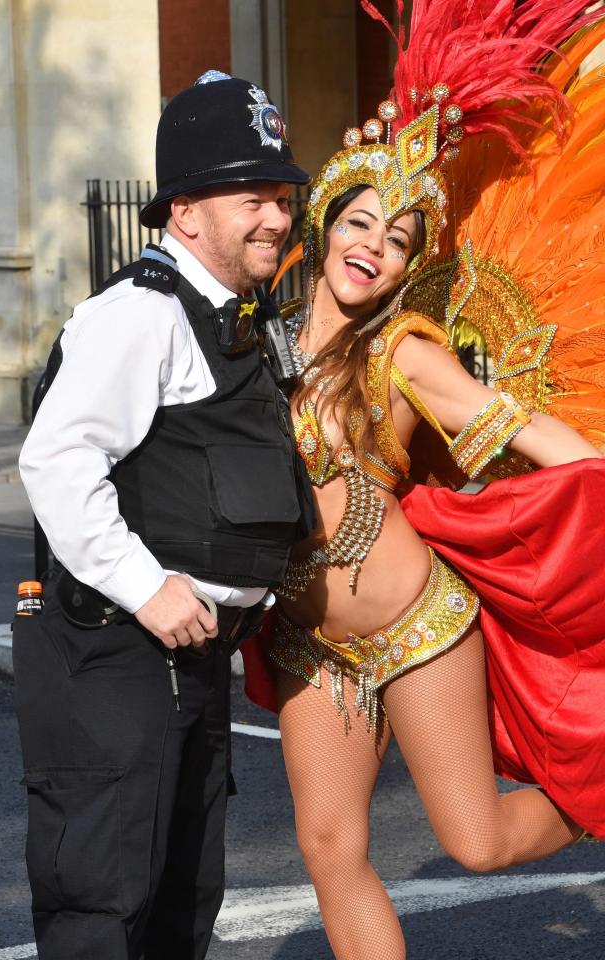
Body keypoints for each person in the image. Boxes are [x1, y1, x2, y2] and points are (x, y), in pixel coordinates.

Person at [240, 3, 605, 958]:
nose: (375, 245)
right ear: (326, 224)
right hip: (308, 642)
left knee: (475, 842)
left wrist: (596, 475)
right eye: (362, 221)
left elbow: (523, 429)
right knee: (329, 848)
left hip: (414, 622)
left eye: (399, 238)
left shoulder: (402, 349)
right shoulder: (244, 340)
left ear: (408, 266)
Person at [14, 71, 312, 960]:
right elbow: (57, 460)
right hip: (115, 653)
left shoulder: (228, 318)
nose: (277, 218)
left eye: (282, 199)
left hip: (186, 657)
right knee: (103, 908)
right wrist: (147, 589)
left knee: (182, 903)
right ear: (186, 213)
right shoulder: (138, 315)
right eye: (253, 198)